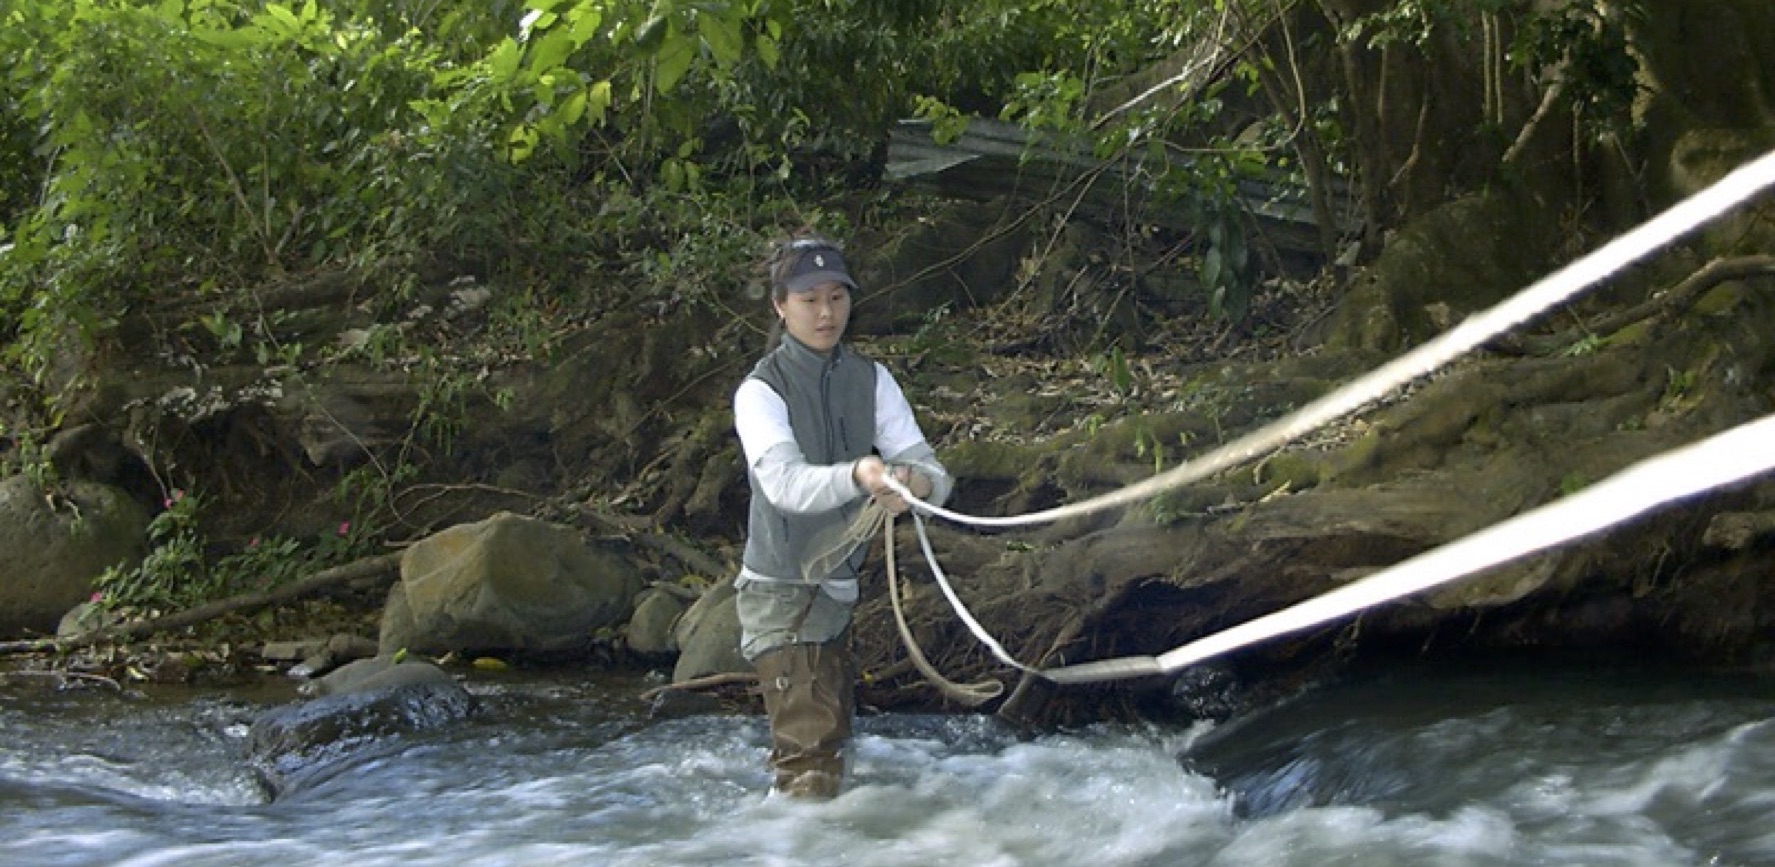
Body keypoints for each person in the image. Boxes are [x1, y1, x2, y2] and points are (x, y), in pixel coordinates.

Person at [731, 234, 953, 799]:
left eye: (837, 297)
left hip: (839, 591)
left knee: (826, 750)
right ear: (780, 306)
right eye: (809, 300)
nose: (826, 312)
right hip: (782, 593)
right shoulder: (759, 391)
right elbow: (781, 484)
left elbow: (931, 469)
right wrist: (860, 474)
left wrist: (912, 484)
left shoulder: (872, 378)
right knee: (811, 762)